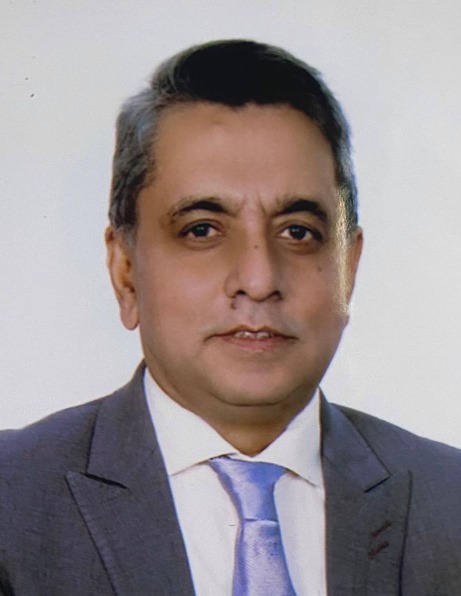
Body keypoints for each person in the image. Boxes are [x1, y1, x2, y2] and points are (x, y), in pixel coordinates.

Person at [1, 39, 461, 596]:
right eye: (202, 230)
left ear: (348, 266)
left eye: (298, 232)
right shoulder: (12, 502)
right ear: (125, 272)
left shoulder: (449, 505)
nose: (259, 279)